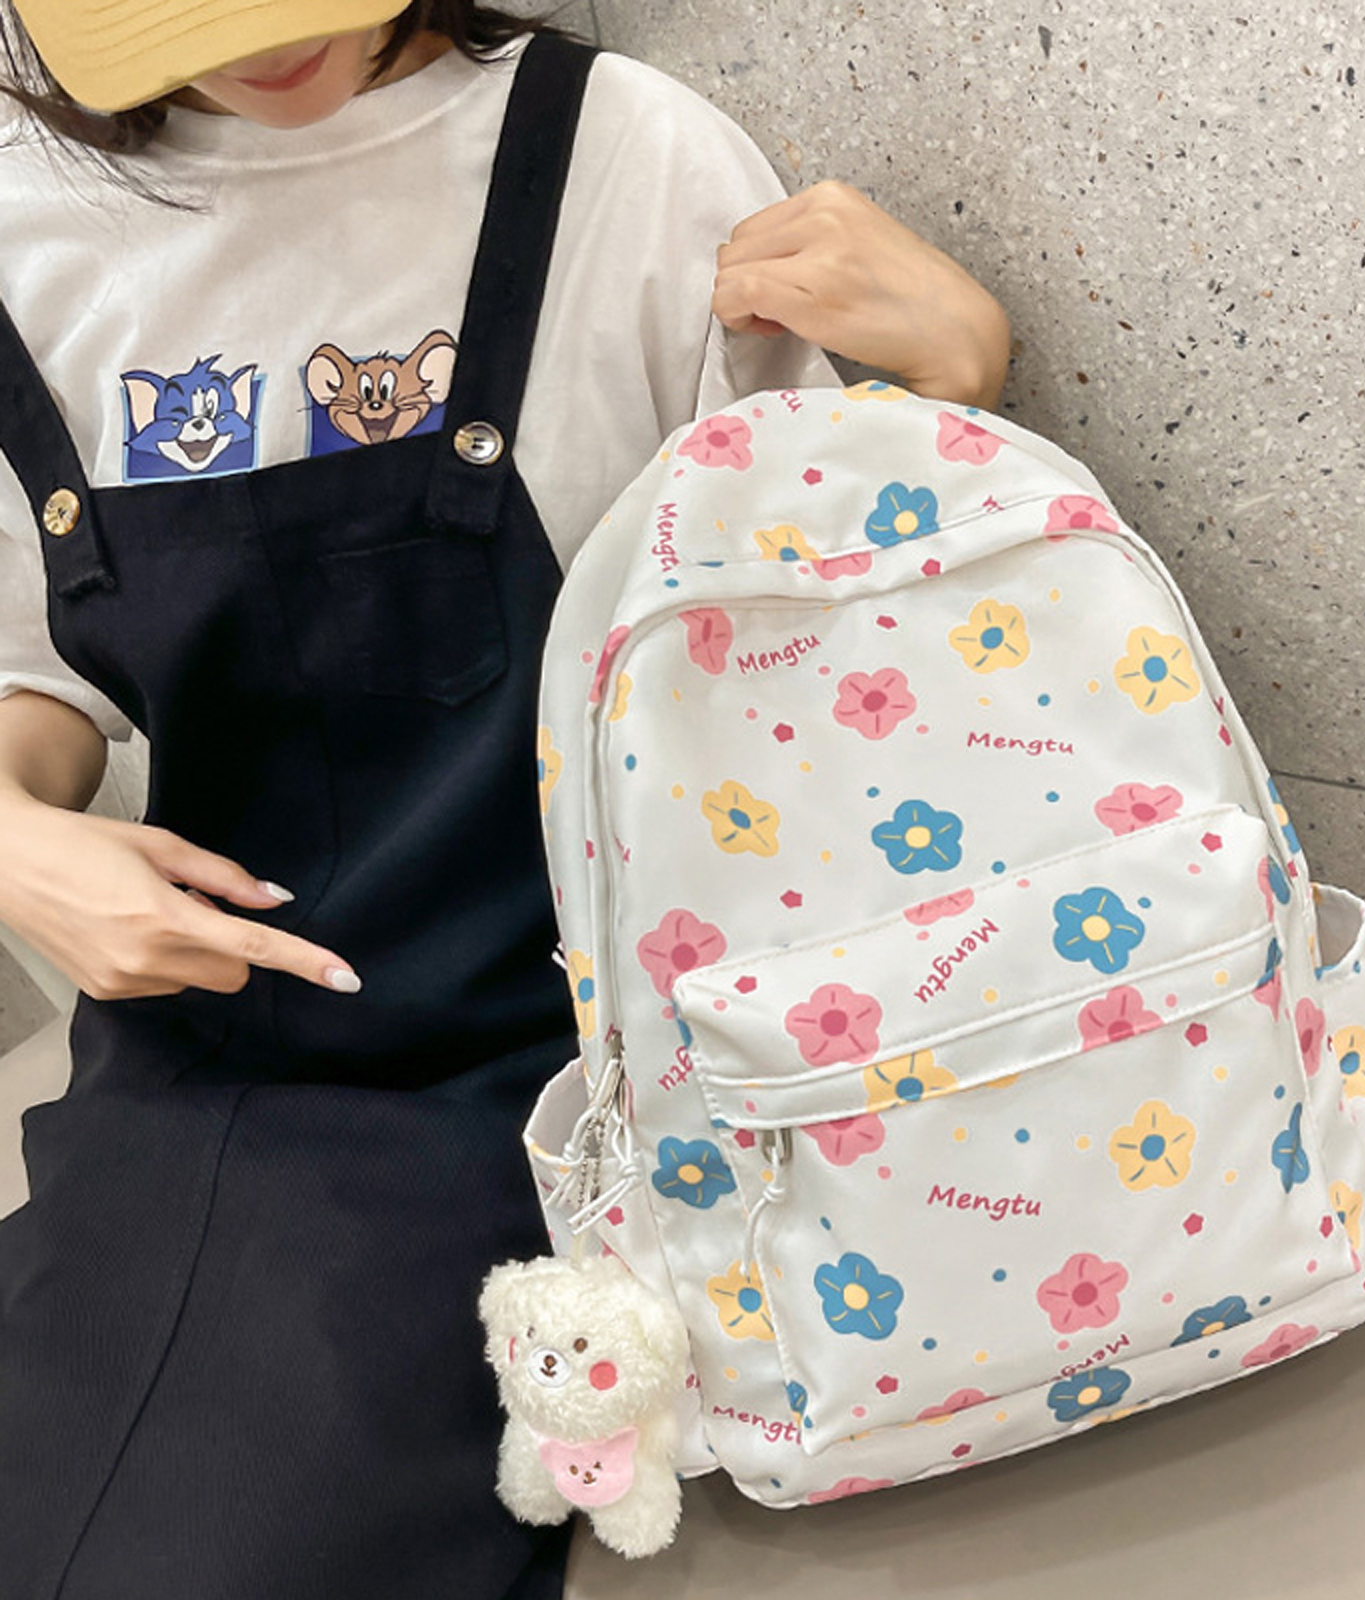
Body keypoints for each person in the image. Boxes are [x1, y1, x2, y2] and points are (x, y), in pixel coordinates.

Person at [0, 3, 1010, 1595]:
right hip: (271, 1081)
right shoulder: (30, 225)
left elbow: (839, 672)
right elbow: (37, 674)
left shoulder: (627, 159)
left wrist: (953, 395)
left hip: (698, 1054)